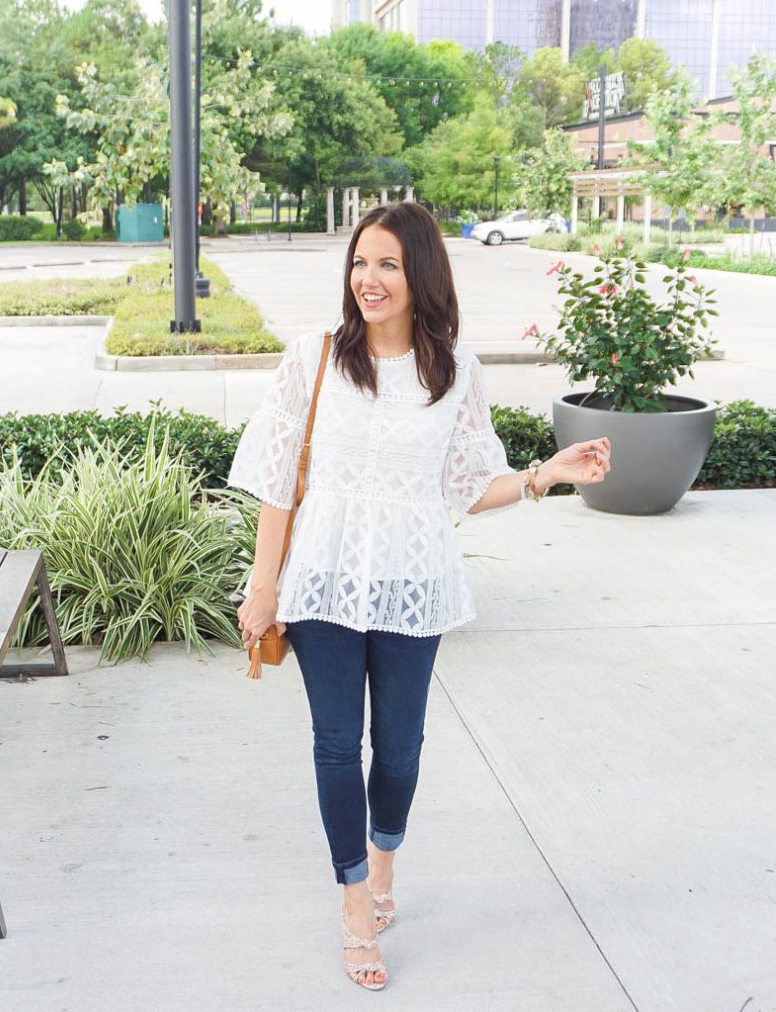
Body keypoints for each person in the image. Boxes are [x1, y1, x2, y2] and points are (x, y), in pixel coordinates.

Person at [228, 202, 611, 992]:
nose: (368, 279)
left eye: (387, 265)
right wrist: (263, 584)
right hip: (324, 581)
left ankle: (383, 867)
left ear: (420, 276)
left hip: (412, 581)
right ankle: (354, 904)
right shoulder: (314, 358)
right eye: (360, 263)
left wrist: (546, 474)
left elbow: (467, 488)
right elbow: (276, 484)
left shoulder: (455, 371)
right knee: (336, 745)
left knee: (398, 750)